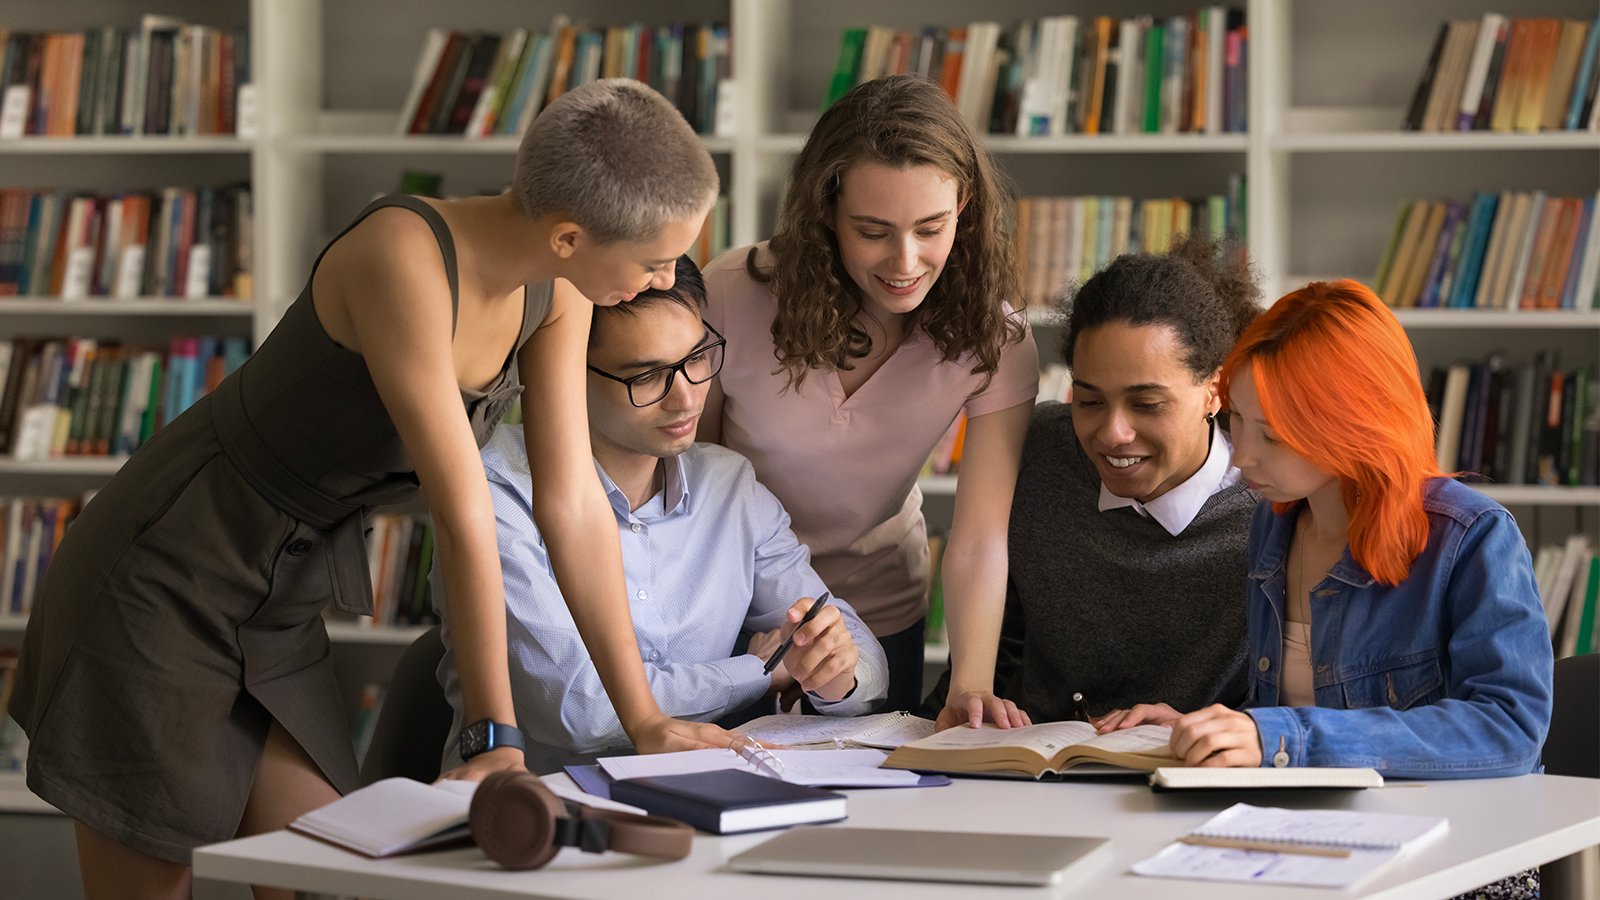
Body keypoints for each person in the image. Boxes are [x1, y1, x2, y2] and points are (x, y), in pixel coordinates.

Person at [7, 80, 737, 899]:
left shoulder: (558, 289)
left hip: (275, 601)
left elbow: (570, 504)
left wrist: (644, 719)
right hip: (161, 574)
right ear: (569, 236)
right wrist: (492, 737)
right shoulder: (404, 256)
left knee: (323, 878)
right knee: (154, 884)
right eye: (654, 261)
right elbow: (464, 514)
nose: (667, 276)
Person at [438, 256, 889, 774]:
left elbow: (861, 652)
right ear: (559, 369)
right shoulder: (495, 489)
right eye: (647, 375)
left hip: (704, 797)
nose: (686, 396)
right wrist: (760, 671)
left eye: (697, 357)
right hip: (543, 810)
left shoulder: (728, 486)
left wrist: (834, 671)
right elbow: (580, 711)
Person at [1104, 279, 1553, 780]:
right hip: (1318, 820)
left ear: (1350, 425)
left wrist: (1278, 737)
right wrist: (1220, 732)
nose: (1244, 454)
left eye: (1272, 435)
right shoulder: (1274, 526)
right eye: (1238, 421)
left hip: (1452, 839)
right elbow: (1297, 715)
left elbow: (1510, 729)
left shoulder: (1472, 537)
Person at [699, 75, 1039, 723]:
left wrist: (970, 684)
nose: (906, 261)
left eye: (931, 228)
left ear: (964, 205)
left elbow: (979, 537)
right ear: (826, 210)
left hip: (882, 619)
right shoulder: (730, 295)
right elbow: (694, 491)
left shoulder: (996, 339)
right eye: (873, 231)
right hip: (736, 618)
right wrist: (744, 628)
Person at [922, 235, 1262, 725]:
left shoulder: (1268, 501)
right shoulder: (1037, 452)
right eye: (1089, 400)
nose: (1112, 433)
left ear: (1215, 391)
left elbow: (1294, 701)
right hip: (1033, 770)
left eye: (1147, 404)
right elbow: (996, 648)